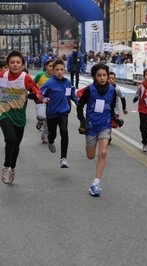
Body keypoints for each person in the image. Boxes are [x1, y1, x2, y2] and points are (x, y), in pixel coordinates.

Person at [76, 63, 124, 197]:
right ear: (94, 77)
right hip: (91, 125)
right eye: (99, 76)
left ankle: (96, 183)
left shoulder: (112, 91)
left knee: (103, 152)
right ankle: (93, 153)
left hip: (105, 124)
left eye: (104, 75)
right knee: (91, 156)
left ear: (108, 76)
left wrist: (116, 118)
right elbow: (80, 106)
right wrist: (83, 121)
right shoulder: (89, 90)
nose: (102, 78)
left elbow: (112, 107)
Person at [0, 51, 42, 184]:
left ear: (22, 65)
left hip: (19, 115)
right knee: (10, 139)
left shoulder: (26, 78)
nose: (15, 65)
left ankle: (12, 168)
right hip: (4, 112)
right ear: (7, 64)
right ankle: (6, 166)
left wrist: (36, 97)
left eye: (18, 62)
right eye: (12, 62)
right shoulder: (2, 76)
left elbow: (37, 93)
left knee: (16, 144)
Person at [40, 59, 79, 168]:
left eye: (61, 69)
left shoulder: (67, 82)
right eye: (57, 70)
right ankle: (50, 140)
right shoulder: (49, 83)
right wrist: (43, 98)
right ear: (53, 70)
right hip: (52, 113)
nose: (59, 72)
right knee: (53, 134)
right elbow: (40, 94)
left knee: (64, 131)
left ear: (65, 70)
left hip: (63, 111)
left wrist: (78, 102)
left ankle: (63, 158)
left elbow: (72, 94)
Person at [33, 58, 54, 143]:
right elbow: (32, 85)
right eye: (50, 66)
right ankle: (39, 120)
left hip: (52, 101)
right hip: (40, 99)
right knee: (42, 116)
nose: (51, 68)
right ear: (46, 66)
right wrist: (34, 94)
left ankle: (44, 136)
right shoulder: (40, 75)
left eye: (53, 66)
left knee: (49, 120)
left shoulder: (57, 77)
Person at [108, 71, 128, 145]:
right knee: (107, 124)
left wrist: (124, 108)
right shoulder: (103, 88)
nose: (110, 80)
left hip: (115, 110)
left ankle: (116, 123)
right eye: (109, 78)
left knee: (114, 125)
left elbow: (123, 98)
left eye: (112, 79)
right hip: (107, 110)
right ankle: (108, 136)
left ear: (115, 80)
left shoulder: (117, 89)